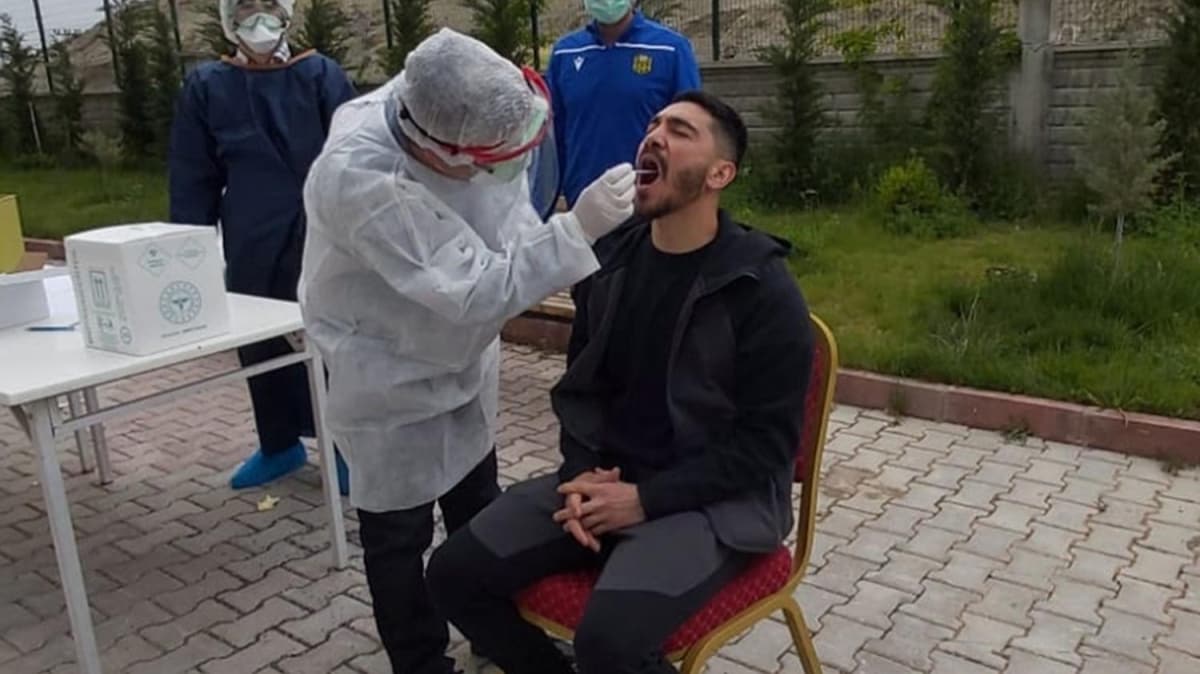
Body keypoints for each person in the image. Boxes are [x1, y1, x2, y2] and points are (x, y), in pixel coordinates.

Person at [427, 91, 816, 674]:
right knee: (452, 575)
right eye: (655, 124)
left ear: (720, 174)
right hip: (608, 479)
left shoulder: (759, 289)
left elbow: (768, 447)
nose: (655, 135)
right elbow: (582, 389)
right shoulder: (611, 263)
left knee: (610, 644)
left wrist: (644, 501)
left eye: (681, 131)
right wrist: (582, 472)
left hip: (713, 504)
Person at [297, 28, 637, 674]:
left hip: (460, 352)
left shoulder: (455, 100)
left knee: (478, 503)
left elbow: (508, 222)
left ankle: (492, 629)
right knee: (397, 536)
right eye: (490, 159)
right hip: (389, 369)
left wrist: (554, 241)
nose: (506, 167)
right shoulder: (362, 180)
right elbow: (477, 287)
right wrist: (578, 231)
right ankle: (421, 661)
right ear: (438, 149)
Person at [168, 0, 356, 493]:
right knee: (259, 339)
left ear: (287, 14)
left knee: (330, 337)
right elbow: (193, 173)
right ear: (229, 21)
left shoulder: (320, 75)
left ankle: (345, 449)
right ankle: (279, 444)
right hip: (250, 232)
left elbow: (354, 154)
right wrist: (189, 251)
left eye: (269, 7)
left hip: (319, 228)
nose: (259, 22)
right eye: (246, 10)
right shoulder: (207, 85)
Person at [544, 0, 701, 210]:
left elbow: (690, 125)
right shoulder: (565, 53)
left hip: (648, 198)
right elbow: (554, 133)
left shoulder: (671, 49)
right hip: (582, 198)